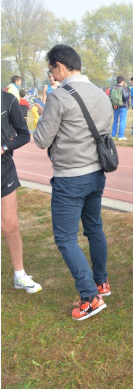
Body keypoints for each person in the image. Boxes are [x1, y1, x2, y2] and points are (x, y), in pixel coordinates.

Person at [33, 45, 113, 320]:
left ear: (60, 67)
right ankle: (101, 281)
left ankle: (90, 296)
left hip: (70, 175)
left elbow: (41, 139)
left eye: (51, 69)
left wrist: (45, 106)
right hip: (96, 172)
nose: (51, 74)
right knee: (94, 228)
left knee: (66, 238)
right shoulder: (101, 93)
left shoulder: (59, 97)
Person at [2, 90, 42, 295]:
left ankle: (19, 275)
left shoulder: (8, 100)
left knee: (10, 224)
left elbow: (24, 134)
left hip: (4, 170)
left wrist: (4, 147)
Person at [110, 76, 130, 140]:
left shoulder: (112, 88)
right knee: (122, 121)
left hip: (115, 106)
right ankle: (120, 136)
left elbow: (110, 96)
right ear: (122, 81)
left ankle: (113, 135)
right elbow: (125, 97)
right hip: (122, 106)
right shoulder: (123, 89)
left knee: (115, 120)